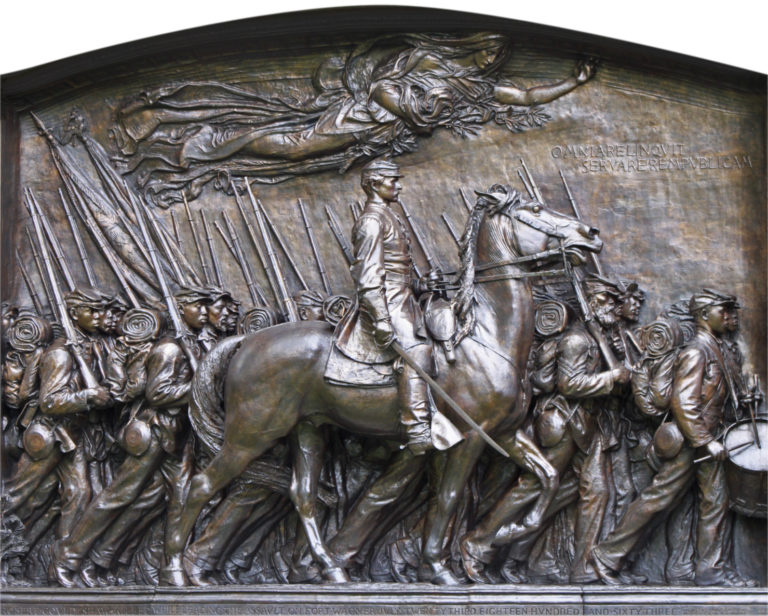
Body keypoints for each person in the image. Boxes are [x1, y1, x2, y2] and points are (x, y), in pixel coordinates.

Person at [113, 33, 596, 207]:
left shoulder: (482, 88)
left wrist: (572, 83)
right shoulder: (428, 60)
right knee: (296, 147)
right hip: (361, 117)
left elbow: (527, 94)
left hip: (377, 138)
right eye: (489, 49)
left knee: (294, 151)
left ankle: (207, 141)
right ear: (474, 45)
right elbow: (382, 87)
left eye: (500, 54)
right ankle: (204, 142)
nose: (493, 59)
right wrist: (415, 112)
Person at [460, 278, 629, 583]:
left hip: (586, 430)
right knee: (533, 486)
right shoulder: (577, 341)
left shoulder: (598, 342)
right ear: (593, 303)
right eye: (610, 302)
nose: (616, 310)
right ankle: (477, 543)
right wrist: (612, 378)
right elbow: (569, 385)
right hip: (563, 424)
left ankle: (571, 566)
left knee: (592, 492)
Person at [592, 290, 754, 587]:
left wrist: (744, 398)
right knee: (659, 498)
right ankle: (606, 555)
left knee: (715, 502)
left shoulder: (719, 348)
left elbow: (715, 396)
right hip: (694, 443)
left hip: (713, 440)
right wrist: (705, 441)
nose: (730, 316)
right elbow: (683, 403)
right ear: (704, 315)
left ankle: (710, 569)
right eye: (723, 310)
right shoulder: (696, 351)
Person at [51, 288, 211, 587]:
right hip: (152, 431)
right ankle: (68, 558)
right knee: (118, 496)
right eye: (198, 305)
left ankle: (149, 564)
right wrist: (203, 388)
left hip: (177, 436)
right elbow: (157, 393)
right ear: (180, 309)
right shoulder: (169, 350)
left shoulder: (191, 344)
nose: (206, 312)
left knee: (176, 498)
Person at [334, 159, 433, 454]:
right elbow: (368, 277)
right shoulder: (371, 221)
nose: (398, 185)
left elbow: (397, 269)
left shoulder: (389, 215)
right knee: (416, 349)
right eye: (393, 180)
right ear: (375, 184)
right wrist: (380, 319)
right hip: (386, 302)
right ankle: (417, 428)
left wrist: (420, 285)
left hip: (403, 296)